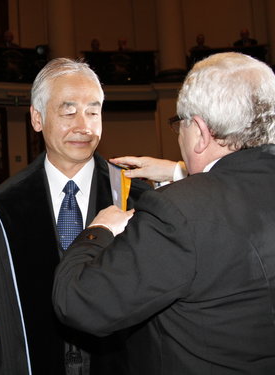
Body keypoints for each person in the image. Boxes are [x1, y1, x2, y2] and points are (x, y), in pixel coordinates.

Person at [52, 52, 275, 374]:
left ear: (199, 130)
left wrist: (98, 231)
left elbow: (79, 304)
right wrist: (178, 171)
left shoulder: (176, 210)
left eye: (179, 125)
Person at [0, 58, 149, 374]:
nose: (84, 126)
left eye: (93, 112)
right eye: (68, 111)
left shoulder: (135, 198)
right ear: (37, 118)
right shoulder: (3, 209)